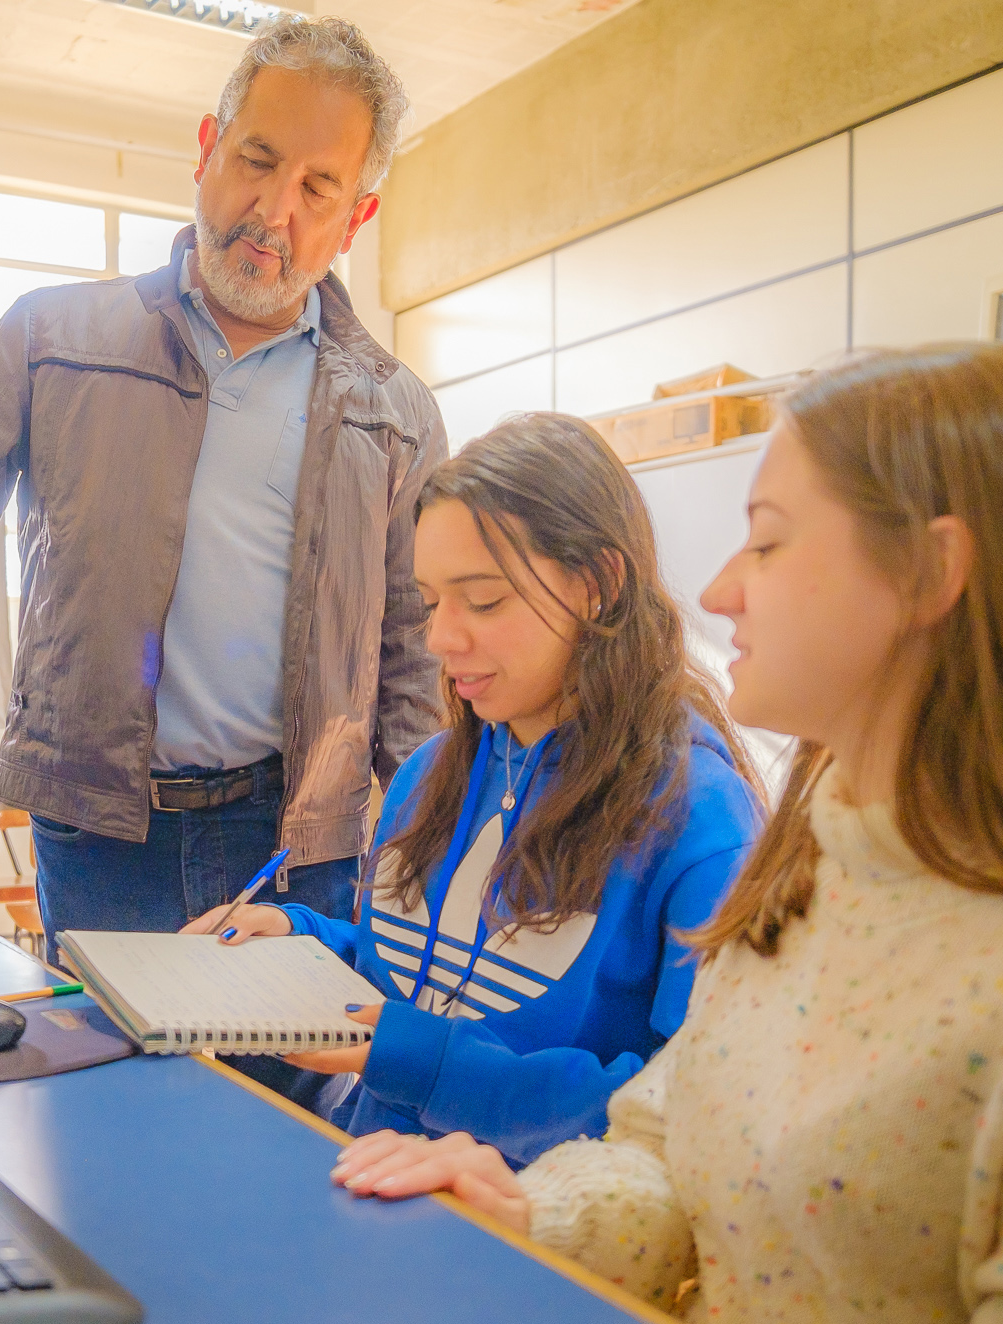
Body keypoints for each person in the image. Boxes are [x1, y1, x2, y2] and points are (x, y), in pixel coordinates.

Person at [329, 343, 1003, 1324]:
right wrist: (531, 1216)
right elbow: (670, 1147)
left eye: (765, 543)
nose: (714, 592)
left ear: (931, 571)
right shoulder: (813, 873)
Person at [0, 18, 445, 942]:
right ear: (208, 150)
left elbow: (418, 650)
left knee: (279, 1093)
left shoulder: (396, 410)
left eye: (316, 186)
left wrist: (430, 851)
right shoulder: (54, 335)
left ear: (354, 217)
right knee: (103, 1082)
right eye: (256, 159)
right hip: (99, 837)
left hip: (296, 852)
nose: (273, 209)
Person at [182, 414, 760, 1164]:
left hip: (529, 1232)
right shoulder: (429, 775)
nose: (439, 638)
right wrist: (304, 938)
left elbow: (682, 1110)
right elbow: (428, 971)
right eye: (429, 601)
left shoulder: (699, 821)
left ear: (599, 585)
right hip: (364, 1177)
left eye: (482, 601)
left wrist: (421, 1060)